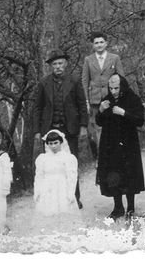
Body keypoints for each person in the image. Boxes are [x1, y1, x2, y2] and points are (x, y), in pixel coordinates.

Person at [33, 49, 88, 209]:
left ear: (66, 64)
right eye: (55, 64)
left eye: (60, 63)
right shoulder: (44, 83)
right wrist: (37, 131)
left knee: (70, 164)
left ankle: (74, 198)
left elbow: (82, 105)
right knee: (52, 166)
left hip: (70, 129)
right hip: (50, 132)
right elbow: (37, 108)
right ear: (51, 66)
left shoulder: (75, 81)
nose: (58, 66)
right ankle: (51, 201)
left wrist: (83, 126)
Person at [95, 74, 145, 220]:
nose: (114, 91)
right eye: (111, 88)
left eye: (116, 88)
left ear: (122, 86)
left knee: (129, 174)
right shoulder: (106, 100)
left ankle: (130, 207)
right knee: (113, 175)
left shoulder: (133, 99)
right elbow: (99, 122)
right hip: (110, 144)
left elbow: (140, 120)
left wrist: (124, 113)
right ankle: (118, 207)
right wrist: (101, 110)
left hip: (128, 143)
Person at [82, 32, 125, 160]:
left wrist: (120, 96)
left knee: (114, 126)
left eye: (101, 42)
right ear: (93, 45)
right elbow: (84, 80)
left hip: (112, 97)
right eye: (96, 43)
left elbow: (122, 78)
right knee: (98, 128)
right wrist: (86, 101)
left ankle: (116, 156)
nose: (99, 45)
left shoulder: (114, 58)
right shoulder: (88, 60)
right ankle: (102, 158)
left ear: (106, 43)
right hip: (95, 99)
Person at [33, 129, 78, 217]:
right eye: (50, 143)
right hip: (47, 188)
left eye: (55, 143)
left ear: (61, 142)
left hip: (62, 187)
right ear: (47, 144)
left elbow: (72, 177)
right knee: (48, 214)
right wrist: (37, 191)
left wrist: (71, 193)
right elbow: (39, 177)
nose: (53, 146)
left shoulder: (68, 158)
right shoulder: (42, 159)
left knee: (64, 212)